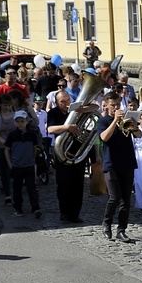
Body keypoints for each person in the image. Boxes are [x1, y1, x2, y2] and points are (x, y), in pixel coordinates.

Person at [97, 91, 140, 242]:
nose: (116, 107)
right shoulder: (103, 121)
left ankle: (121, 230)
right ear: (107, 105)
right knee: (114, 197)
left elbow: (139, 135)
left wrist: (134, 126)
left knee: (126, 200)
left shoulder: (126, 118)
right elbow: (104, 137)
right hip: (111, 164)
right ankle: (107, 223)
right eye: (112, 105)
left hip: (127, 162)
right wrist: (115, 121)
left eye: (117, 104)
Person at [47, 90, 87, 223]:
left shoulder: (75, 110)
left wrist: (82, 109)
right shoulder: (53, 113)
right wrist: (67, 127)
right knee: (64, 184)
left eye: (67, 100)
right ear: (56, 102)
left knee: (78, 185)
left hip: (78, 152)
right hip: (62, 153)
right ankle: (64, 213)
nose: (66, 104)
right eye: (62, 102)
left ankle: (75, 214)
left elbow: (96, 108)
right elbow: (50, 129)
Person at [4, 110, 41, 218]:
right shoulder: (12, 135)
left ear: (27, 121)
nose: (20, 123)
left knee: (32, 187)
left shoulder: (31, 134)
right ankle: (18, 207)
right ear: (15, 122)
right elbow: (7, 149)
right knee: (17, 188)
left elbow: (34, 148)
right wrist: (10, 164)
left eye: (22, 121)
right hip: (17, 166)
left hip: (29, 165)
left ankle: (35, 207)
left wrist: (32, 160)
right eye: (18, 121)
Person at [0, 96, 17, 206]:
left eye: (9, 105)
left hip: (15, 147)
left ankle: (17, 192)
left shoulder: (15, 115)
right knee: (4, 171)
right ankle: (7, 195)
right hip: (1, 147)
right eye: (5, 105)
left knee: (16, 170)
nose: (7, 107)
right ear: (0, 105)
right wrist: (4, 142)